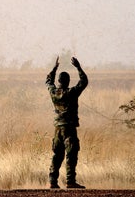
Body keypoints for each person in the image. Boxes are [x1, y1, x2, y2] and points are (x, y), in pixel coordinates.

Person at [46, 56, 88, 189]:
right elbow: (84, 81)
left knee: (57, 155)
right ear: (68, 81)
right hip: (69, 128)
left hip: (58, 128)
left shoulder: (54, 92)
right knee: (71, 154)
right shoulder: (72, 93)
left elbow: (48, 81)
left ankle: (52, 181)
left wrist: (54, 68)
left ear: (59, 81)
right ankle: (70, 181)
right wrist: (78, 67)